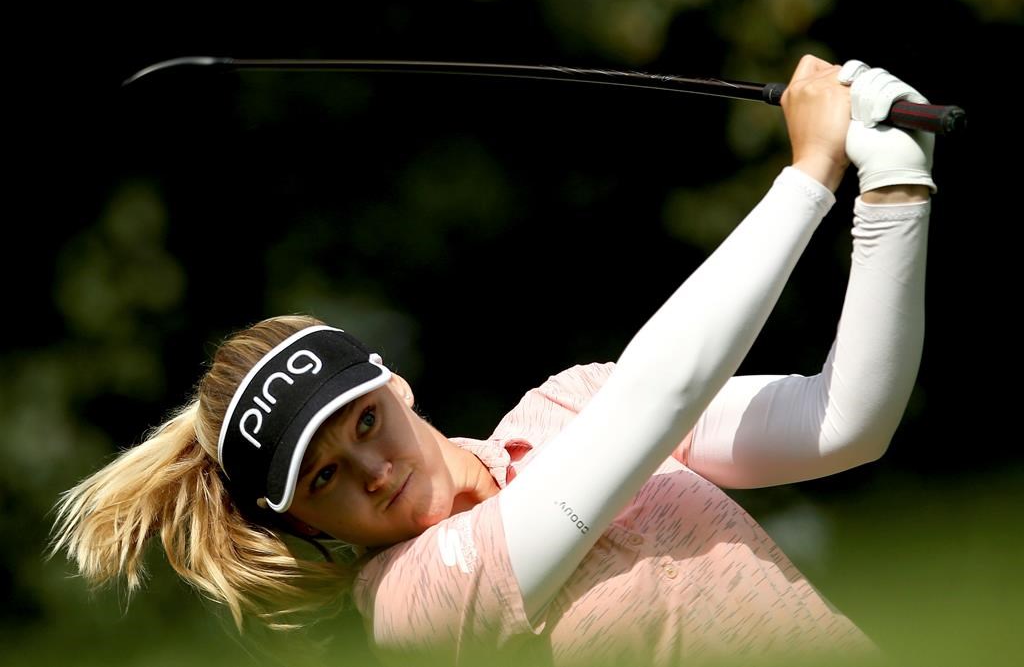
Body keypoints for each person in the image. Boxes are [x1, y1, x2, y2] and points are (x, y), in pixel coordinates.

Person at [52, 54, 935, 666]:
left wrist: (895, 182)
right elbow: (655, 402)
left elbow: (844, 422)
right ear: (309, 528)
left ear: (393, 382)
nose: (372, 468)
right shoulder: (410, 606)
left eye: (365, 420)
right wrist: (809, 175)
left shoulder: (565, 405)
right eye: (323, 479)